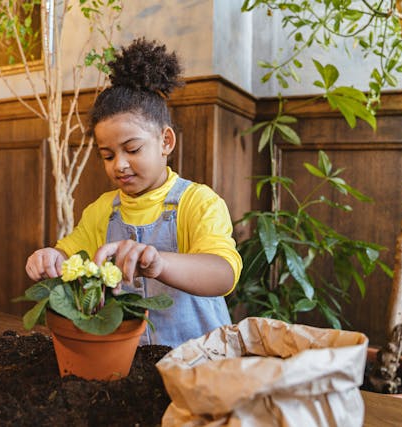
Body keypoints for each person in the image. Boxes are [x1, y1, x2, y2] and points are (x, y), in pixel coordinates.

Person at [26, 38, 242, 348]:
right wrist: (50, 257)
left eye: (132, 149)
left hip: (201, 360)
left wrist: (160, 264)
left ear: (166, 141)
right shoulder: (103, 209)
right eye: (108, 155)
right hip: (129, 359)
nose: (120, 165)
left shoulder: (198, 202)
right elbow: (69, 254)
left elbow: (223, 274)